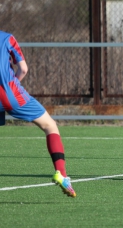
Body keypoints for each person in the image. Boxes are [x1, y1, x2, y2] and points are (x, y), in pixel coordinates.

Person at [0, 30, 76, 197]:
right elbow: (23, 69)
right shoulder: (7, 38)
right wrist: (12, 86)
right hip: (11, 95)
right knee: (50, 126)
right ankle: (61, 174)